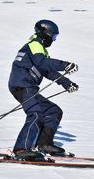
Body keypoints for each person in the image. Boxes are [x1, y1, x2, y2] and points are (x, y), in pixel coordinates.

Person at [8, 20, 79, 161]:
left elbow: (47, 70)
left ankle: (44, 144)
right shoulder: (34, 45)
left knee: (53, 111)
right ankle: (21, 149)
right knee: (35, 114)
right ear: (45, 34)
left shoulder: (39, 49)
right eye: (53, 37)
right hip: (22, 85)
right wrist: (65, 65)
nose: (53, 40)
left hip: (29, 87)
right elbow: (43, 63)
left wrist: (66, 83)